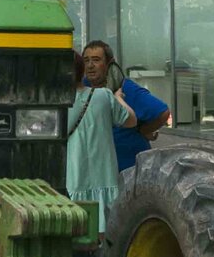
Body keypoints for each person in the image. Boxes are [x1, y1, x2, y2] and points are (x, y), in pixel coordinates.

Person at [68, 51, 133, 241]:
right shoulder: (104, 96)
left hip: (72, 180)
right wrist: (118, 98)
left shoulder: (54, 105)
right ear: (81, 71)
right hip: (104, 179)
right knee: (105, 236)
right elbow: (131, 120)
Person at [80, 40, 170, 172]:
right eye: (86, 60)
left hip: (129, 169)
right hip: (99, 168)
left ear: (110, 63)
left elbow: (163, 113)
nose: (90, 65)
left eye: (96, 60)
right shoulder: (83, 86)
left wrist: (144, 130)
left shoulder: (126, 88)